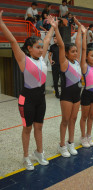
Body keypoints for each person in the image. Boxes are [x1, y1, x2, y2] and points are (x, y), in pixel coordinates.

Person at [0, 10, 54, 170]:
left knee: (39, 127)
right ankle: (25, 157)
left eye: (41, 47)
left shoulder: (41, 57)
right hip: (26, 100)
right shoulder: (23, 59)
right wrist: (1, 23)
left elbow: (48, 39)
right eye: (38, 47)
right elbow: (12, 40)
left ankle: (39, 152)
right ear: (29, 48)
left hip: (40, 99)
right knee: (27, 128)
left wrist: (52, 26)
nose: (41, 49)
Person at [49, 15, 82, 157]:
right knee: (65, 120)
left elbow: (79, 43)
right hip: (67, 96)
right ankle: (62, 145)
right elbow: (62, 45)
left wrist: (80, 28)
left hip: (77, 95)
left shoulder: (77, 62)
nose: (76, 53)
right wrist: (56, 28)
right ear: (67, 54)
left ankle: (70, 142)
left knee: (73, 119)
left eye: (76, 51)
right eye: (73, 52)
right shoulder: (65, 63)